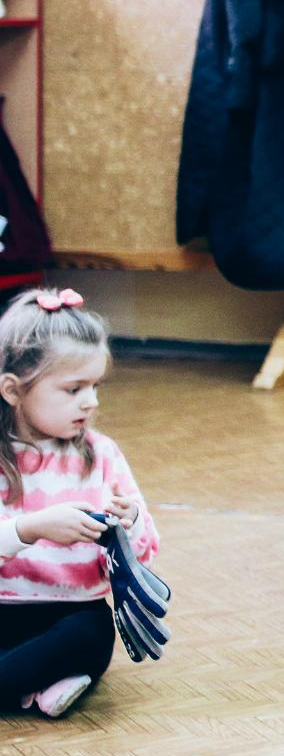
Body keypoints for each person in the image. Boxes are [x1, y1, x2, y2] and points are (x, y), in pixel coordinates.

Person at [0, 289, 156, 717]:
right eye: (73, 389)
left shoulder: (102, 454)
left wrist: (131, 523)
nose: (91, 401)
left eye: (94, 386)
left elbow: (143, 552)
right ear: (12, 390)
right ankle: (38, 684)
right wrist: (30, 528)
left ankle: (23, 682)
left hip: (70, 612)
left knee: (92, 632)